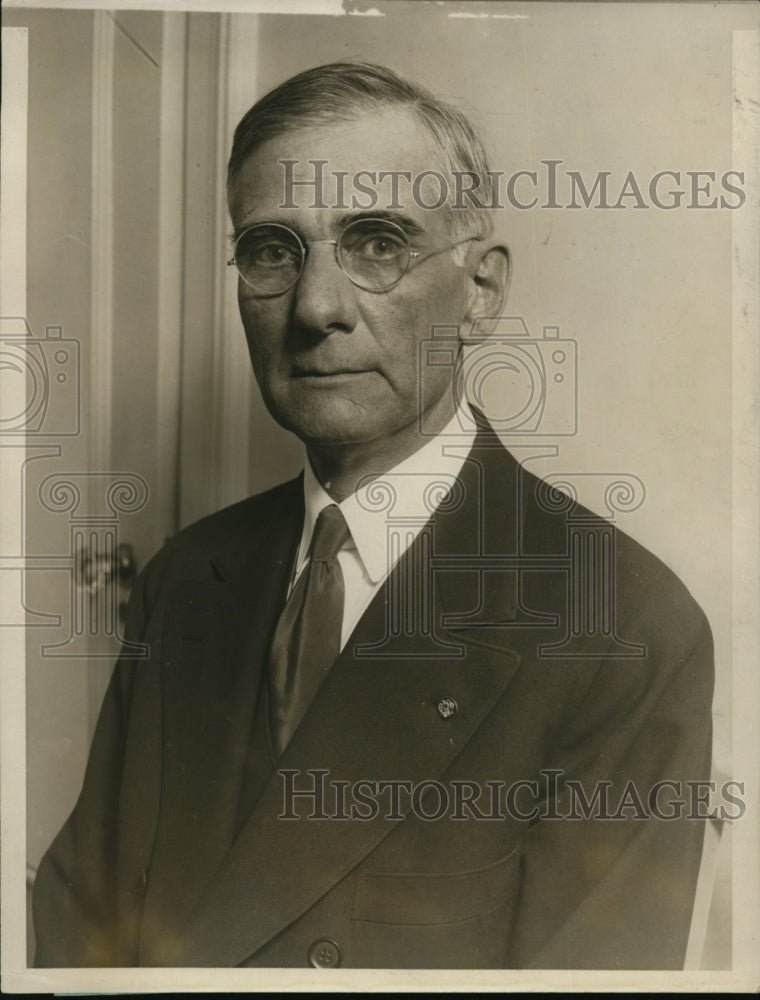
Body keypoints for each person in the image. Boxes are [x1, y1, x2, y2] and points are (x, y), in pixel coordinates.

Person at [32, 61, 714, 970]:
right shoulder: (188, 577)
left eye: (378, 243)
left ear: (480, 294)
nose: (316, 308)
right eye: (274, 250)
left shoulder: (625, 629)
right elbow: (80, 926)